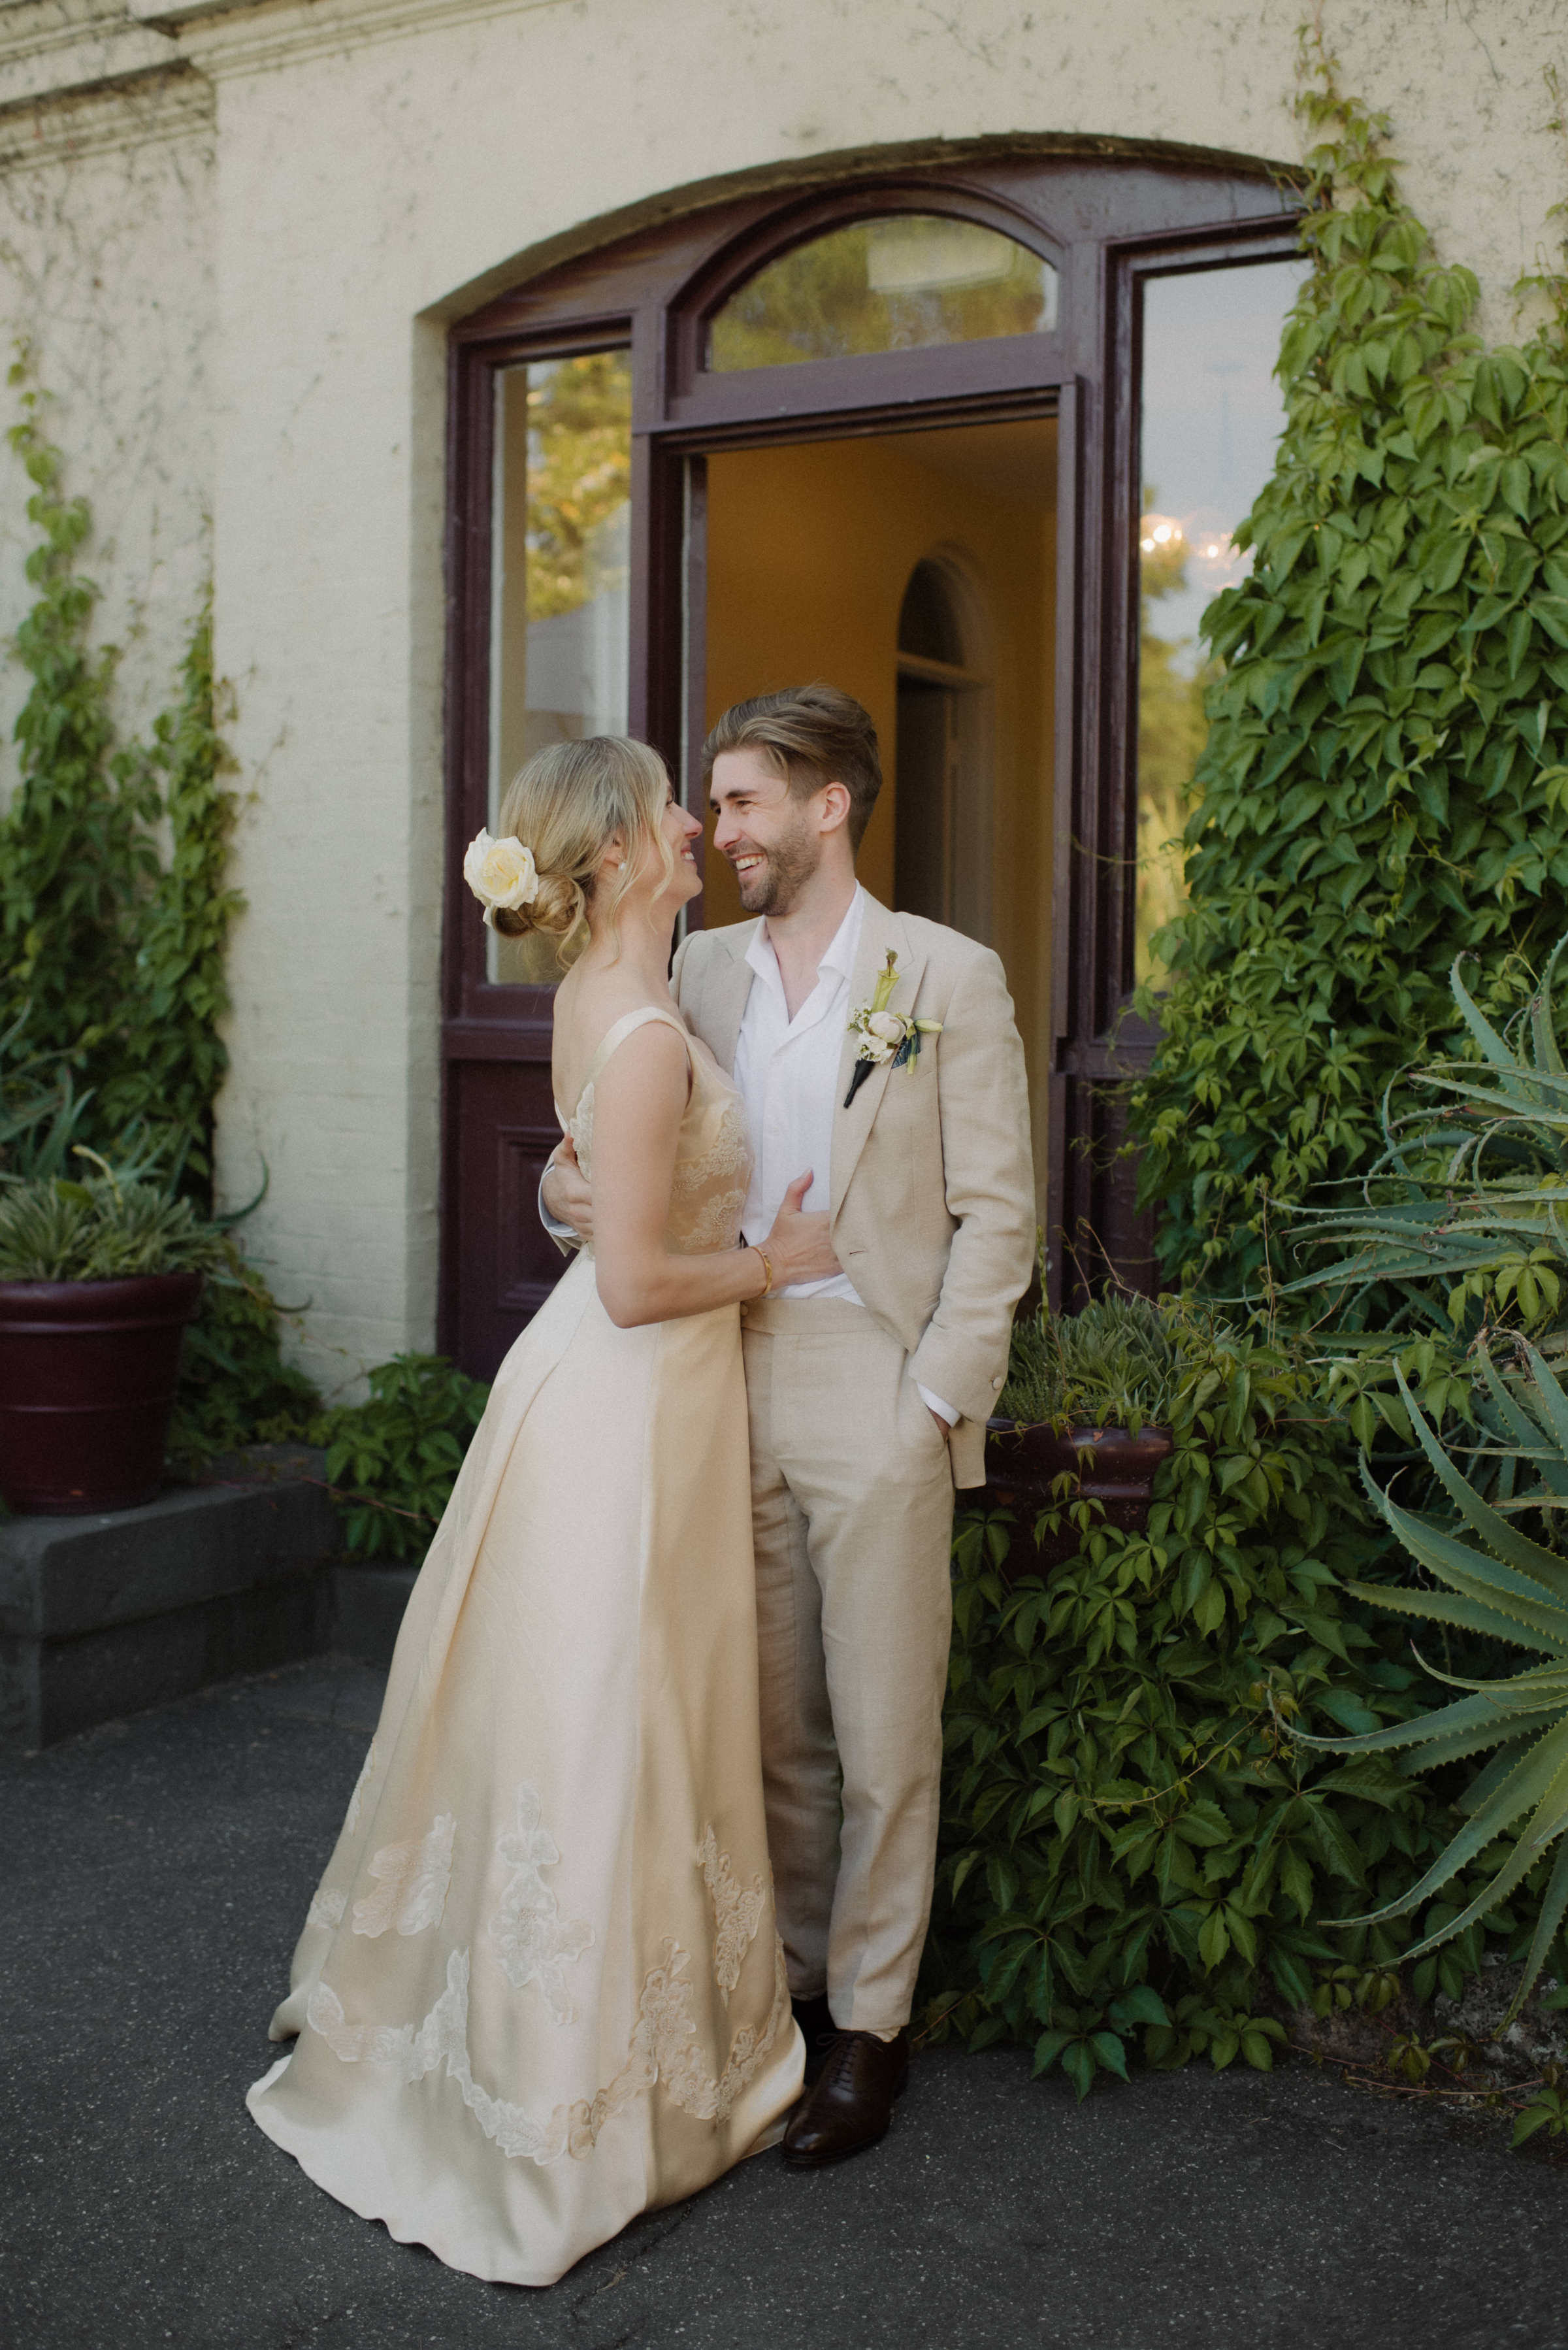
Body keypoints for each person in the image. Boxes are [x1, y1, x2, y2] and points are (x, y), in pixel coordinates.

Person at [248, 735, 840, 2288]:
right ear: (613, 863)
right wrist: (771, 1265)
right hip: (632, 1400)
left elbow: (596, 1193)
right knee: (607, 1724)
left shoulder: (603, 997)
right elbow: (642, 1281)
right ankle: (572, 2094)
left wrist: (570, 1195)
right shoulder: (643, 1030)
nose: (692, 831)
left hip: (614, 1394)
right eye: (666, 812)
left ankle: (617, 2055)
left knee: (612, 1714)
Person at [542, 684, 1035, 2168]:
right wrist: (559, 1199)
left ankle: (872, 2030)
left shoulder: (945, 974)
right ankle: (798, 1998)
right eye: (714, 800)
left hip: (869, 1383)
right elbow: (604, 1152)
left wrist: (932, 1400)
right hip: (707, 1371)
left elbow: (998, 1214)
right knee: (760, 1726)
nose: (719, 827)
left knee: (886, 1729)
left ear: (831, 804)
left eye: (747, 799)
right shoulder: (691, 969)